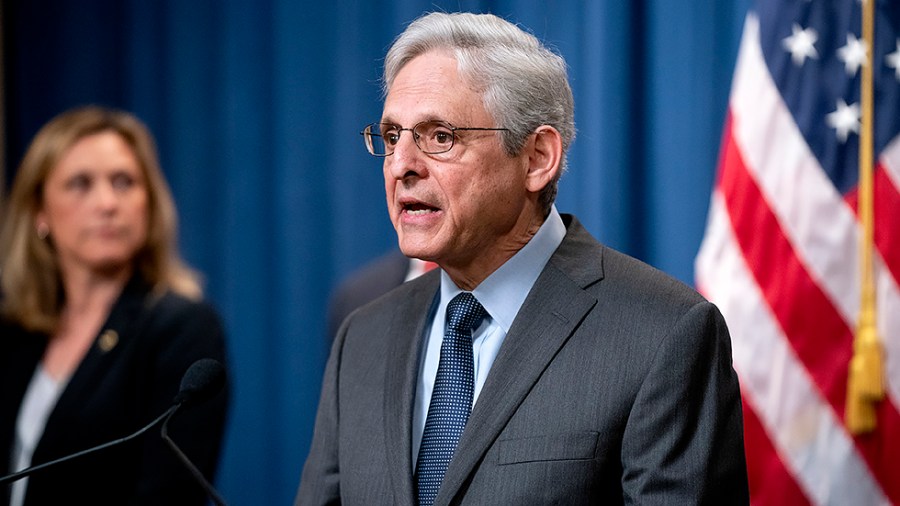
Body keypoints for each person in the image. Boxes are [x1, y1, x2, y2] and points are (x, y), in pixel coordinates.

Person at [297, 11, 748, 505]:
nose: (402, 165)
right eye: (391, 137)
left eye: (439, 137)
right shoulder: (362, 338)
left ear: (536, 158)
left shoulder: (663, 334)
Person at [0, 106, 229, 505]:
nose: (107, 203)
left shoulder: (182, 329)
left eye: (124, 182)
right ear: (40, 211)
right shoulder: (15, 333)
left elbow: (170, 494)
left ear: (149, 204)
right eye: (80, 184)